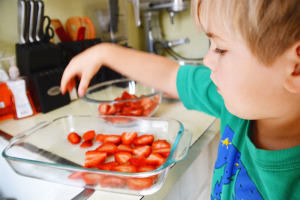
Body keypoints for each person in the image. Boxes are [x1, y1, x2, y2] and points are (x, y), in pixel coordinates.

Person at [61, 0, 300, 199]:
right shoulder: (236, 100)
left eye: (221, 49)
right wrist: (104, 52)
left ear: (296, 67)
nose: (206, 60)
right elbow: (169, 74)